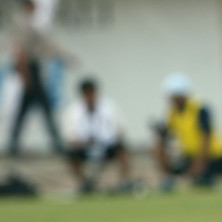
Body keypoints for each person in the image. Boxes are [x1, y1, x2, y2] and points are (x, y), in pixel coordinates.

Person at [154, 72, 222, 191]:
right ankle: (169, 178)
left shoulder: (200, 109)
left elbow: (207, 137)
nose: (171, 99)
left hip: (215, 156)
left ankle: (204, 177)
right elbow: (165, 134)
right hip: (191, 157)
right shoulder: (172, 113)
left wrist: (200, 164)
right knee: (166, 154)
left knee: (204, 181)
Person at [7, 0, 66, 156]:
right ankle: (56, 142)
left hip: (34, 69)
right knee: (44, 107)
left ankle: (13, 144)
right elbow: (21, 52)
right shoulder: (23, 24)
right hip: (30, 70)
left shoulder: (32, 25)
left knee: (24, 110)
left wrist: (64, 57)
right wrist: (25, 75)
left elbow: (44, 47)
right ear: (29, 6)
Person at [62, 77, 132, 194]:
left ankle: (123, 182)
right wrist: (83, 142)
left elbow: (121, 129)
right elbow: (70, 137)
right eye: (87, 94)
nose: (90, 97)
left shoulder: (109, 107)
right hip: (85, 147)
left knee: (123, 150)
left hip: (107, 146)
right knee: (71, 154)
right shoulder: (73, 111)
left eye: (92, 93)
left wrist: (109, 138)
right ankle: (85, 184)